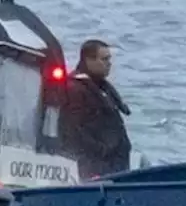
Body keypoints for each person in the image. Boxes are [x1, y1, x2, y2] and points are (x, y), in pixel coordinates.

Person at [56, 39, 132, 180]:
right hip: (94, 165)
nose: (109, 64)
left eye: (109, 59)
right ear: (88, 60)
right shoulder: (75, 90)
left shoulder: (102, 87)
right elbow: (73, 129)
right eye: (104, 59)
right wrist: (101, 150)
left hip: (114, 163)